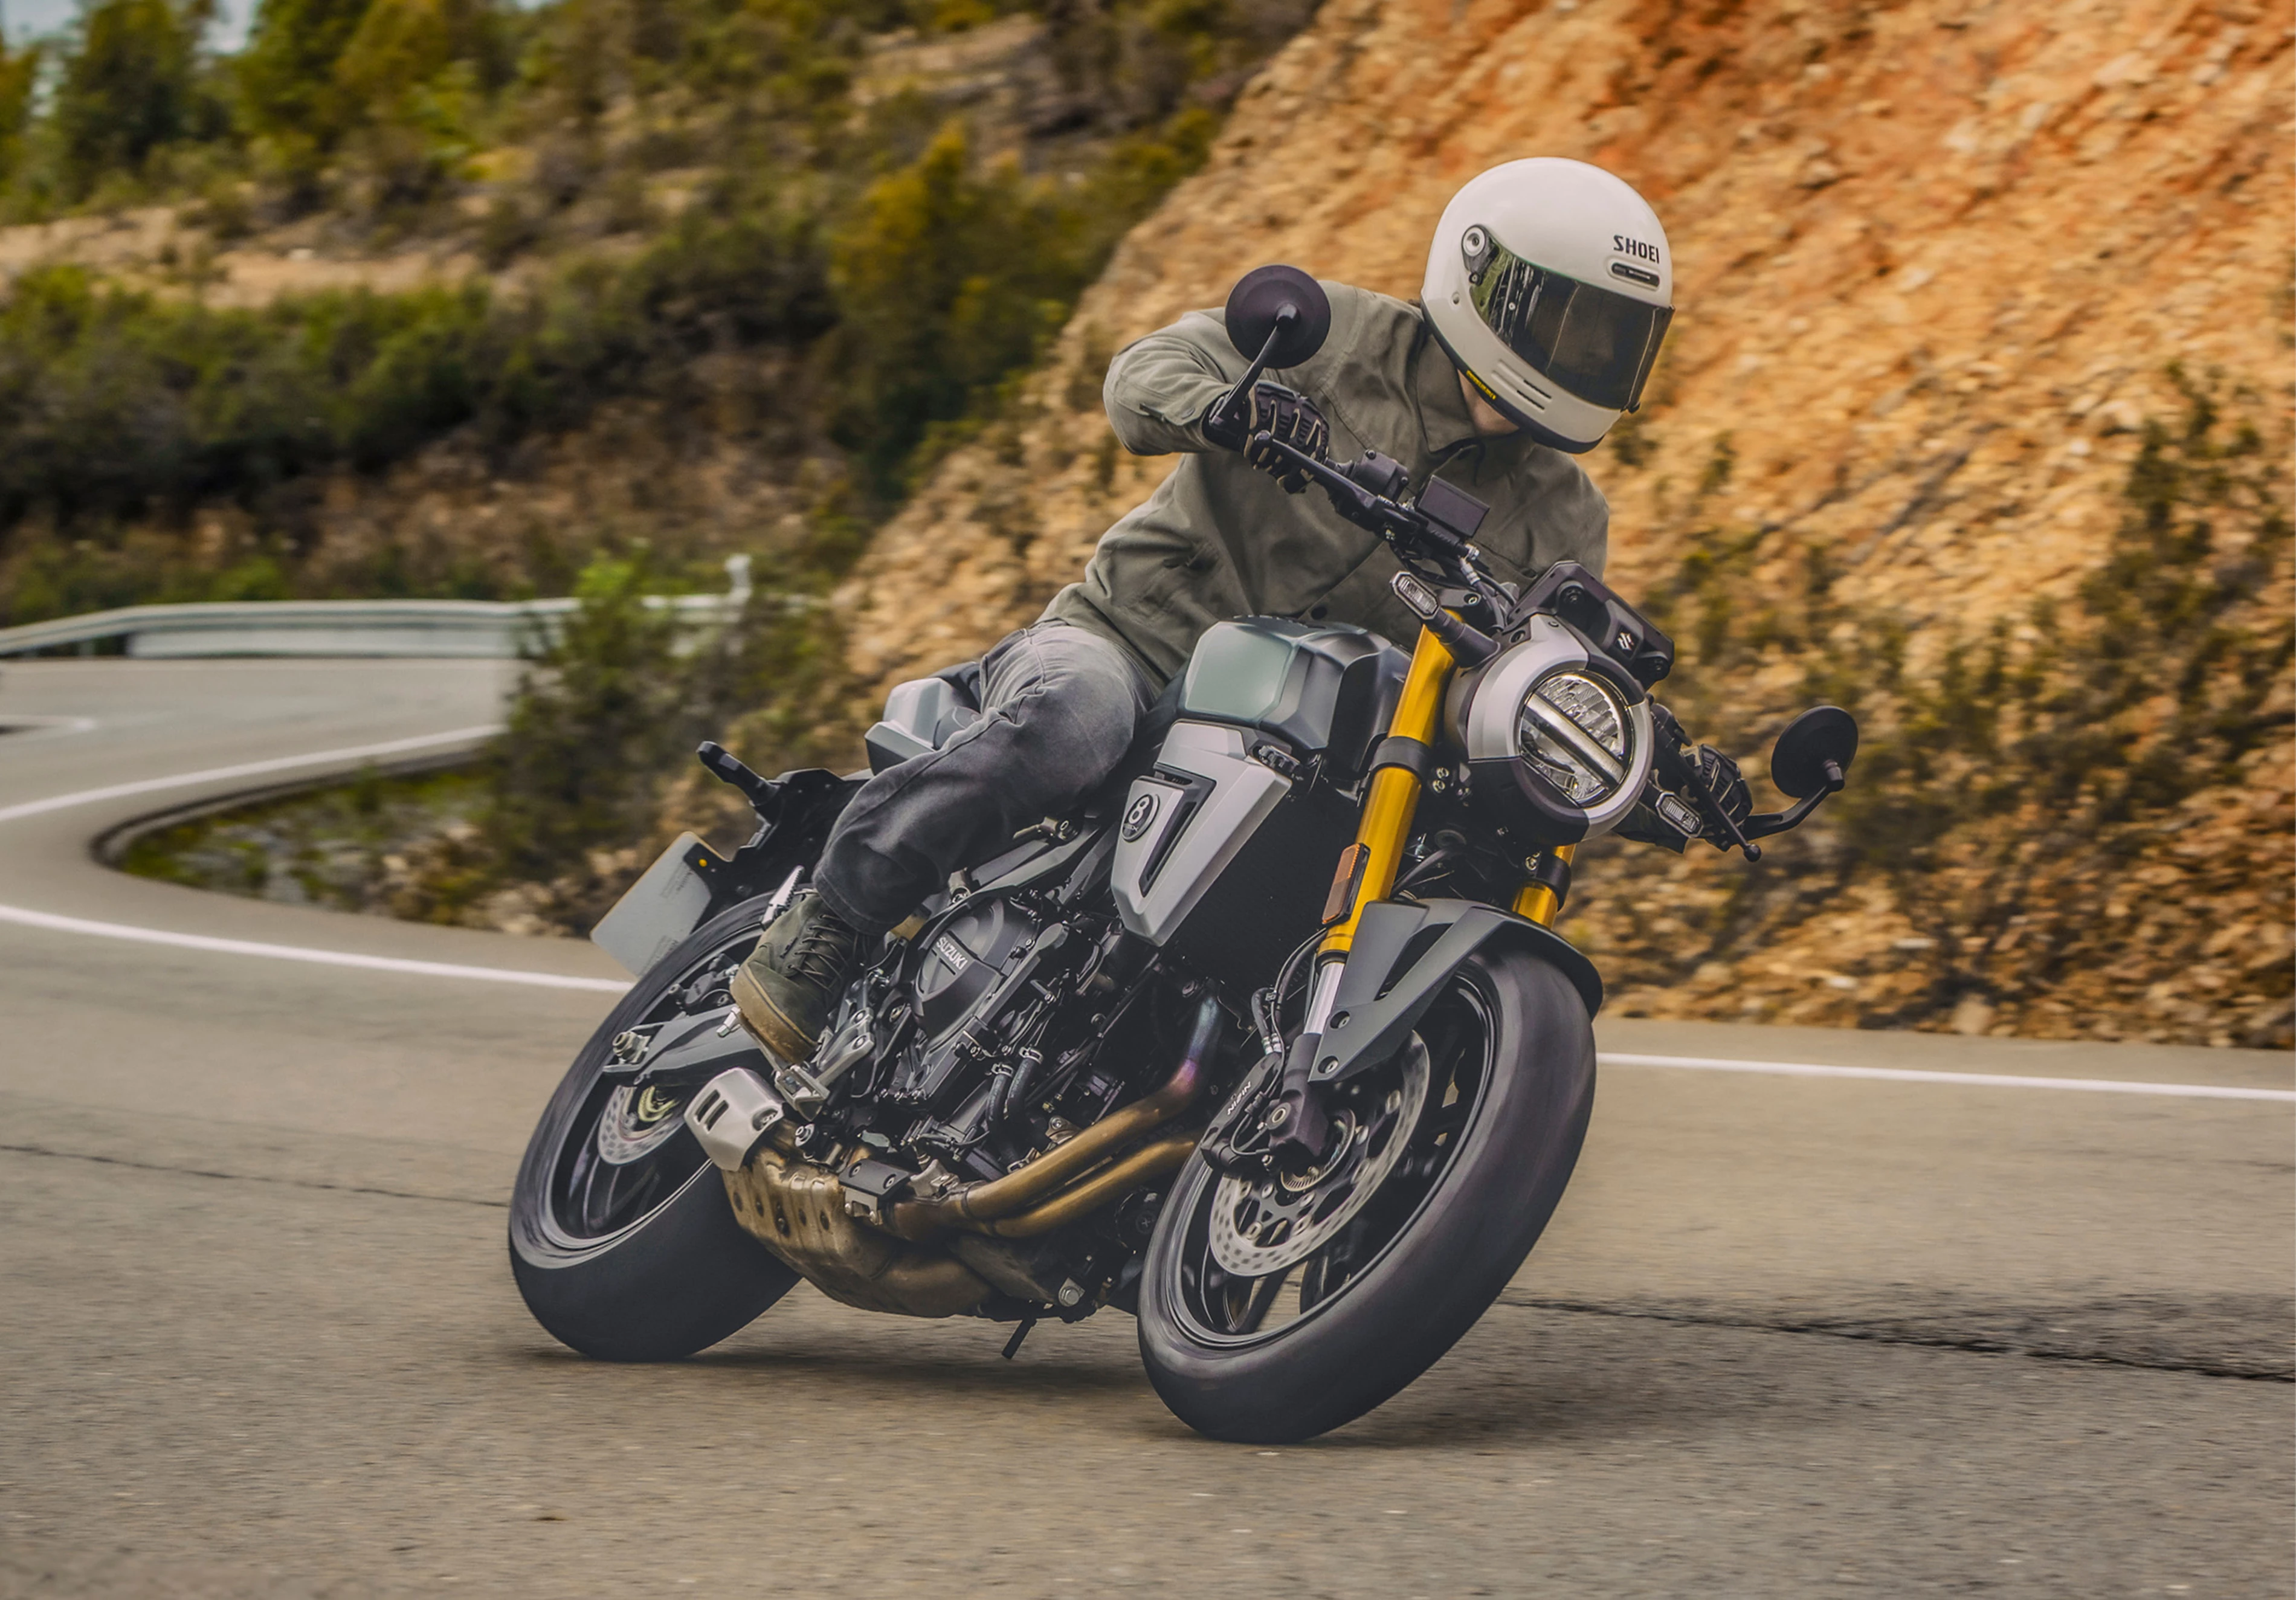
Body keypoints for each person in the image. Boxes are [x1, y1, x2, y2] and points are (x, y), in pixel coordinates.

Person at [732, 156, 1677, 1063]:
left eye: (1608, 337)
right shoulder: (1336, 335)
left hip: (1320, 752)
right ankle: (835, 919)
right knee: (1073, 720)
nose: (1582, 354)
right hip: (1134, 648)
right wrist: (1230, 407)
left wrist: (1644, 743)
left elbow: (1548, 662)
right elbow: (1142, 375)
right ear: (1483, 277)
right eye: (1564, 320)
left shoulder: (1568, 514)